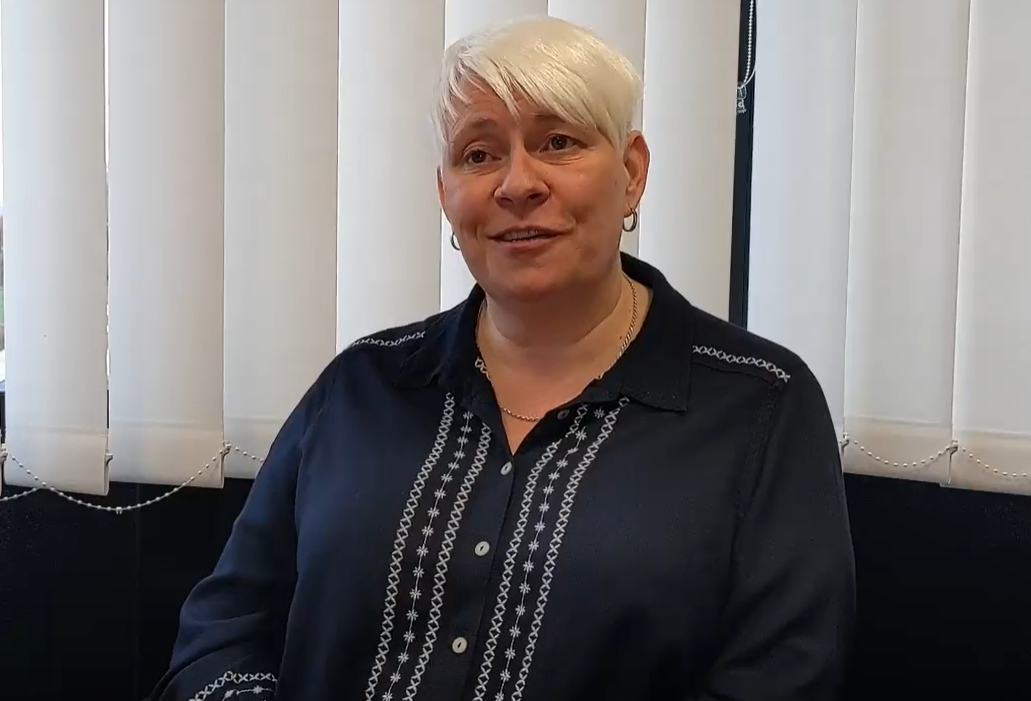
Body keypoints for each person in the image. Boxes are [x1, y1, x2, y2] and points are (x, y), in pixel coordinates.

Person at [149, 16, 855, 701]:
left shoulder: (760, 406)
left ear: (632, 173)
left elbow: (778, 679)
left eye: (558, 141)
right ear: (446, 194)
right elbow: (225, 629)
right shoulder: (360, 388)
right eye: (478, 154)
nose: (517, 183)